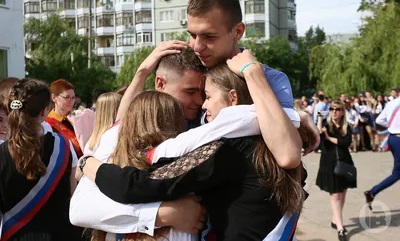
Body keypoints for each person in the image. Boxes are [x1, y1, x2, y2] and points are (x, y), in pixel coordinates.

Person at [70, 48, 302, 238]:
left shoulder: (227, 144)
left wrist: (87, 164)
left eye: (206, 95)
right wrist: (162, 214)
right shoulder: (267, 135)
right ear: (160, 83)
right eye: (191, 92)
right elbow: (81, 209)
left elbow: (140, 185)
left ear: (232, 98)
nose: (201, 103)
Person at [0, 78, 80, 241]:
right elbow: (73, 195)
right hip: (61, 234)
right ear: (44, 112)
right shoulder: (63, 145)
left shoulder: (1, 153)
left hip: (16, 236)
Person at [316, 100, 356, 241]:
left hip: (344, 163)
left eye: (337, 109)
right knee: (335, 196)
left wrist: (329, 138)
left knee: (343, 193)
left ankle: (335, 219)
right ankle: (340, 228)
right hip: (329, 164)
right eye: (332, 109)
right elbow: (319, 140)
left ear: (342, 112)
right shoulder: (327, 126)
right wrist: (320, 119)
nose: (334, 112)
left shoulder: (347, 127)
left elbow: (346, 143)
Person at [364, 97, 400, 210]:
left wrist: (392, 126)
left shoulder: (391, 103)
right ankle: (372, 192)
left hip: (393, 139)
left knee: (398, 172)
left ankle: (372, 192)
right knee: (397, 173)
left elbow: (379, 120)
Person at [46, 79, 83, 157]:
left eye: (73, 98)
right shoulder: (48, 124)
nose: (71, 101)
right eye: (67, 97)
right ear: (54, 98)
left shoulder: (78, 119)